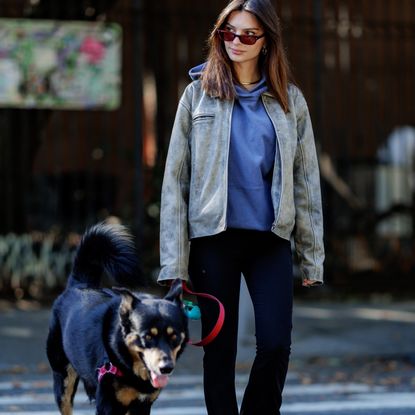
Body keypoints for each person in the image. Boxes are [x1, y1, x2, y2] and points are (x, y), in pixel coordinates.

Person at [158, 0, 324, 413]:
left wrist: (312, 257)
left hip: (270, 239)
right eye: (228, 32)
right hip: (214, 240)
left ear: (266, 42)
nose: (236, 41)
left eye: (248, 34)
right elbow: (174, 183)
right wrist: (173, 264)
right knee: (219, 352)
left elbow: (306, 182)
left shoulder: (290, 101)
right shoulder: (196, 95)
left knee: (274, 345)